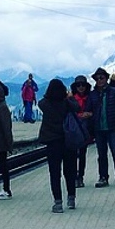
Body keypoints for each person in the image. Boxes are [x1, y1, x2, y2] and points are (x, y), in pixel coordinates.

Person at [37, 78, 81, 213]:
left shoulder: (45, 104)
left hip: (52, 142)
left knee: (55, 173)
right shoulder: (66, 103)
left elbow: (40, 102)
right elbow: (77, 108)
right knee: (70, 170)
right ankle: (71, 198)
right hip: (68, 141)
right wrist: (70, 96)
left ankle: (58, 202)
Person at [87, 67, 115, 188]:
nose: (99, 80)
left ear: (106, 78)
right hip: (98, 128)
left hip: (112, 126)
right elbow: (89, 109)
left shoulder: (114, 92)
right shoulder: (92, 95)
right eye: (97, 78)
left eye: (101, 78)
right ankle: (103, 177)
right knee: (101, 155)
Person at [70, 75, 93, 186]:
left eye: (83, 85)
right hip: (74, 130)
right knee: (74, 155)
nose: (81, 87)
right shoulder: (71, 98)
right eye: (78, 85)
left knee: (82, 154)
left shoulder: (90, 97)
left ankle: (80, 177)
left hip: (85, 130)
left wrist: (90, 114)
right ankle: (74, 176)